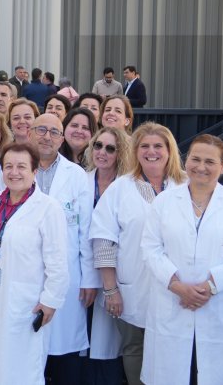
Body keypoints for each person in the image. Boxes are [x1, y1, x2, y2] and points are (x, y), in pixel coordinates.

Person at [140, 135, 223, 384]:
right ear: (186, 161)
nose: (201, 167)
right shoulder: (164, 202)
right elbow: (150, 248)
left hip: (219, 306)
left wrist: (208, 287)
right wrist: (178, 287)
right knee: (171, 372)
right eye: (195, 159)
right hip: (172, 302)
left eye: (210, 161)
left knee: (214, 373)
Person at [89, 123, 186, 385]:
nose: (151, 152)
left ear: (169, 151)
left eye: (158, 146)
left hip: (178, 288)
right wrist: (110, 290)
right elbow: (103, 240)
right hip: (132, 287)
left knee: (172, 350)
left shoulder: (185, 186)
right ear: (135, 151)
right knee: (134, 348)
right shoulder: (121, 188)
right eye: (144, 146)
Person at [0, 143, 68, 385]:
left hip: (24, 302)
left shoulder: (47, 208)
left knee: (21, 369)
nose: (14, 172)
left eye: (22, 166)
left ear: (34, 171)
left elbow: (57, 262)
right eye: (8, 166)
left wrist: (50, 302)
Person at [29, 114, 98, 382]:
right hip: (27, 273)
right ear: (31, 132)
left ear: (62, 138)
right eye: (42, 130)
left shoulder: (76, 175)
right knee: (29, 350)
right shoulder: (16, 167)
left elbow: (85, 230)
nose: (47, 136)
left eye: (54, 132)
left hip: (67, 275)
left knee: (62, 350)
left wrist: (89, 279)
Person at [83, 126, 133, 384]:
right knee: (85, 339)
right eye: (98, 146)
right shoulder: (80, 180)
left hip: (115, 274)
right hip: (83, 274)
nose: (102, 152)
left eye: (110, 148)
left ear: (121, 152)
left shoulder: (129, 186)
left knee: (110, 343)